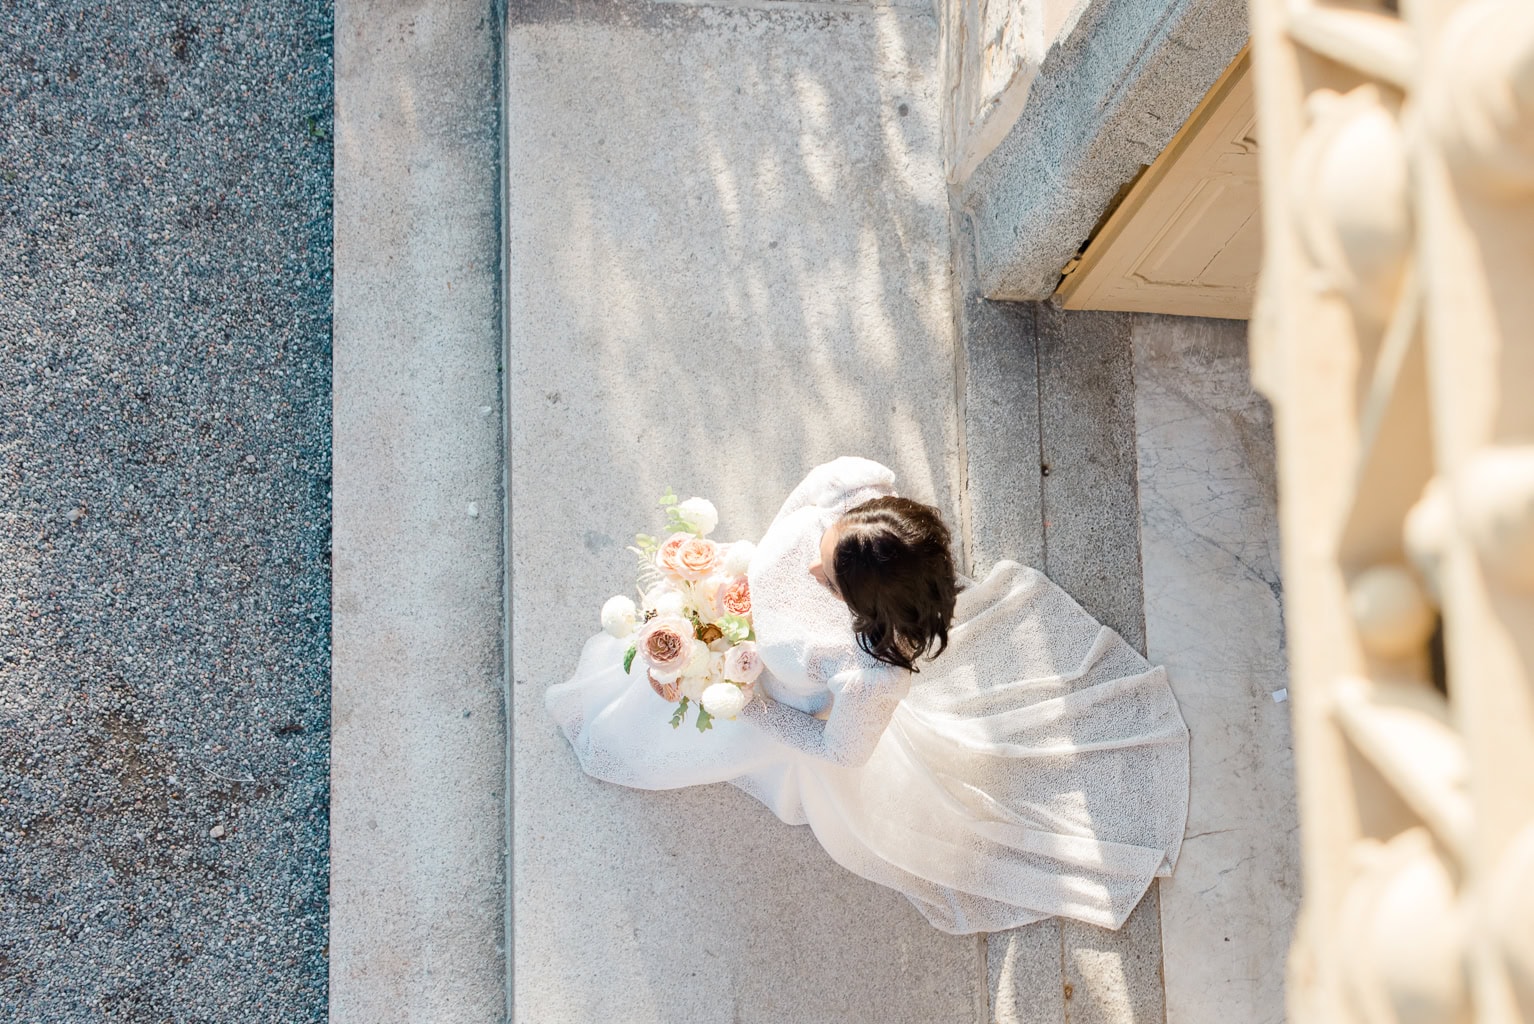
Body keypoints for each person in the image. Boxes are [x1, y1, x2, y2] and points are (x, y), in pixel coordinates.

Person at [545, 457, 1190, 934]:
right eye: (825, 547)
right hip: (733, 632)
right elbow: (857, 478)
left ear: (861, 606)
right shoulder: (844, 502)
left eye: (824, 577)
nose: (808, 568)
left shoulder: (870, 674)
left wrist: (754, 703)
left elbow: (842, 751)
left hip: (757, 695)